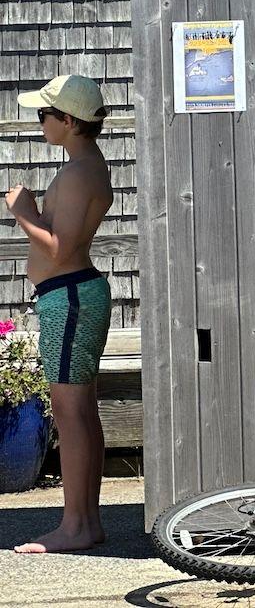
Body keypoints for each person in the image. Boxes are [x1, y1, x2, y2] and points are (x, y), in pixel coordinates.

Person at [5, 75, 114, 554]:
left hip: (68, 297)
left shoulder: (76, 175)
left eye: (44, 115)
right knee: (82, 413)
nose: (41, 123)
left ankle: (74, 527)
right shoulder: (90, 166)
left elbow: (59, 246)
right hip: (73, 293)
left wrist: (23, 211)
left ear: (68, 121)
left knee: (70, 415)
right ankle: (85, 522)